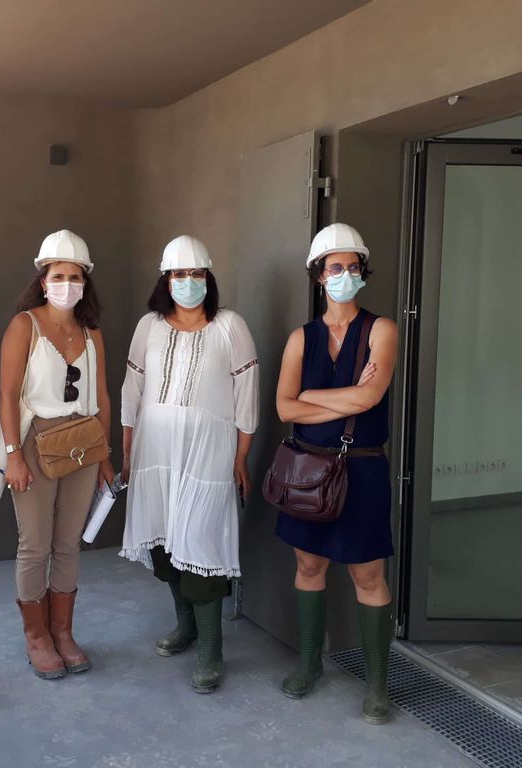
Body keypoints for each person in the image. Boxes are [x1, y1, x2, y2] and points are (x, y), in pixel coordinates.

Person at [120, 235, 259, 694]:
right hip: (155, 452)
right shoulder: (149, 326)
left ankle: (211, 650)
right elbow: (132, 393)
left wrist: (241, 455)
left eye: (197, 274)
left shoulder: (230, 326)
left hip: (208, 453)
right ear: (166, 279)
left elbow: (246, 396)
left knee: (201, 543)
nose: (188, 282)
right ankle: (188, 626)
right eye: (179, 274)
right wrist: (127, 452)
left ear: (209, 278)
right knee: (165, 545)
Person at [273, 222, 397, 723]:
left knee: (368, 574)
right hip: (306, 469)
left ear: (362, 272)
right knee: (309, 566)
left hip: (362, 470)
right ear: (319, 275)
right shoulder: (301, 338)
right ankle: (309, 663)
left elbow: (370, 397)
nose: (344, 274)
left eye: (352, 266)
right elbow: (283, 409)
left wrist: (309, 396)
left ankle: (378, 685)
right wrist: (331, 399)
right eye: (334, 267)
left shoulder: (381, 329)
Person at [0, 230, 114, 679]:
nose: (67, 284)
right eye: (58, 276)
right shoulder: (24, 326)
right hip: (36, 441)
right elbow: (8, 395)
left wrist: (105, 455)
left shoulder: (91, 332)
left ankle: (63, 632)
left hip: (83, 441)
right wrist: (14, 454)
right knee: (35, 543)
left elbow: (101, 395)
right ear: (43, 281)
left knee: (68, 543)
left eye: (75, 277)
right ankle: (37, 637)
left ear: (86, 282)